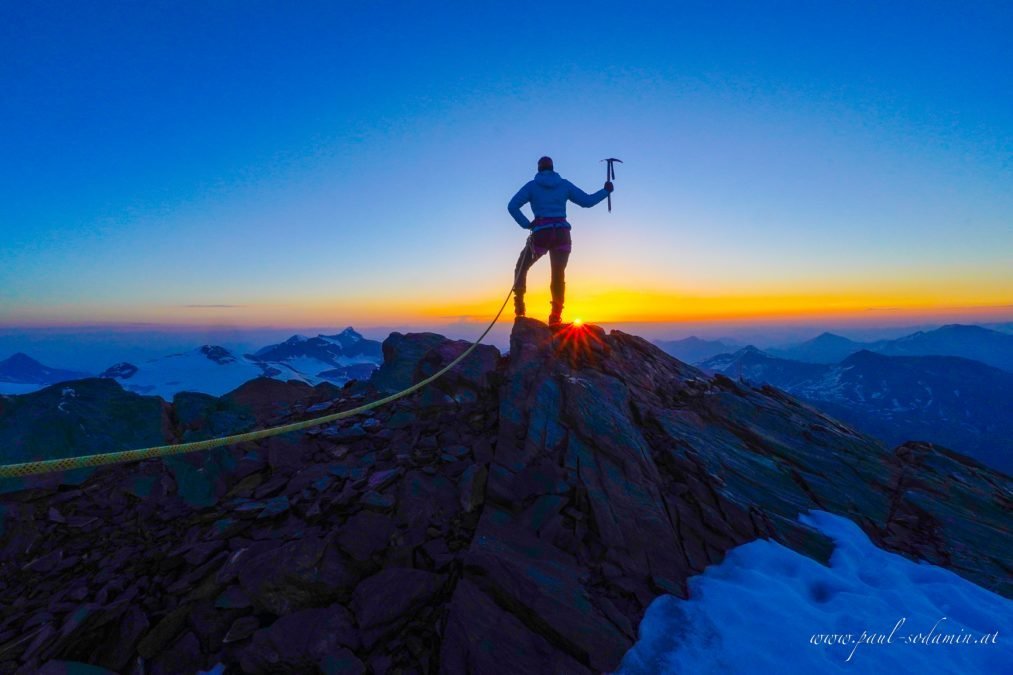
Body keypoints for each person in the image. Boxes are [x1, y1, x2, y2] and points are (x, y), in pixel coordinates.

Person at [507, 156, 613, 326]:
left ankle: (520, 308)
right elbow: (587, 202)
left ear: (538, 169)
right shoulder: (564, 184)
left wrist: (527, 224)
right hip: (562, 234)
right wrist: (605, 191)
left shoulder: (531, 186)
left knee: (522, 266)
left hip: (542, 233)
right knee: (558, 275)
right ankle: (555, 316)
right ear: (553, 168)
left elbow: (512, 206)